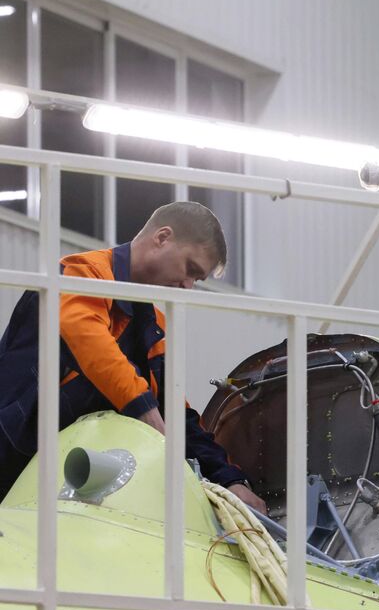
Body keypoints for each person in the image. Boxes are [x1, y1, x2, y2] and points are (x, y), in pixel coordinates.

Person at [0, 201, 264, 510]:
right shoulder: (81, 273)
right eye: (190, 270)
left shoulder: (151, 326)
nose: (188, 286)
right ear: (162, 237)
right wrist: (144, 409)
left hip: (56, 482)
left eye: (197, 280)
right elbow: (91, 342)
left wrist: (231, 479)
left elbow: (177, 414)